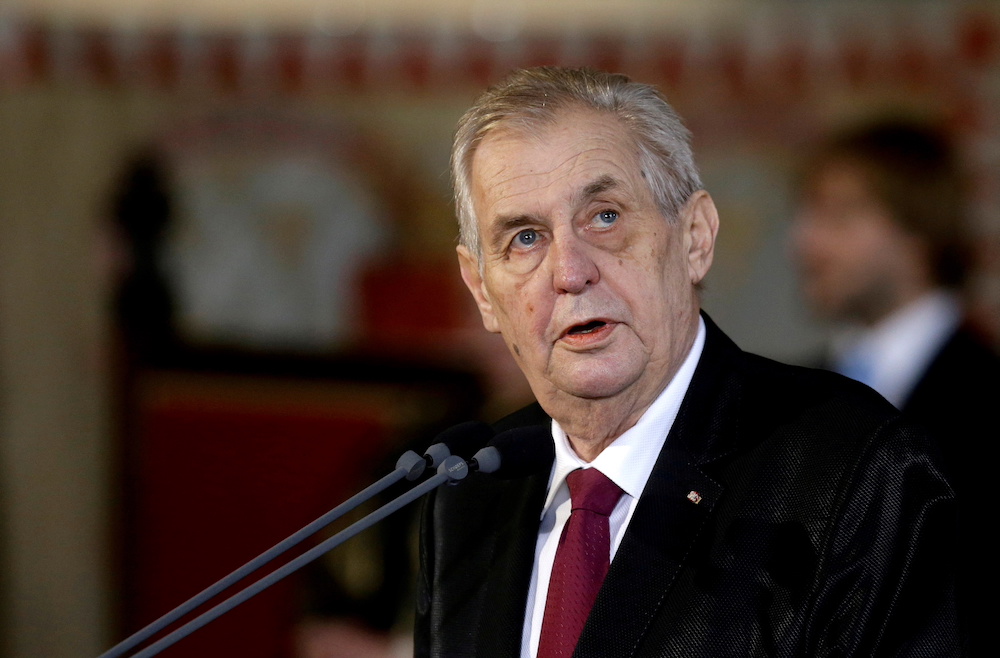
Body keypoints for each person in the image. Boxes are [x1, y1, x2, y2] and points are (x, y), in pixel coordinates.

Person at [415, 67, 960, 657]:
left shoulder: (859, 471)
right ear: (481, 290)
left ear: (695, 237)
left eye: (605, 216)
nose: (570, 272)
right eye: (525, 237)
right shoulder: (470, 492)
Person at [791, 118, 999, 655]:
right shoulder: (797, 393)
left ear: (917, 228)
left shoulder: (986, 395)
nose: (806, 241)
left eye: (839, 215)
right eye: (808, 213)